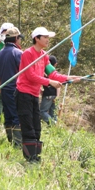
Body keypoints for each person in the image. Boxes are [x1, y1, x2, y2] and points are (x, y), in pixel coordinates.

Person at [15, 27, 81, 162]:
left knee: (37, 127)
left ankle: (36, 156)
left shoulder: (44, 56)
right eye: (45, 37)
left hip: (34, 95)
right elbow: (30, 75)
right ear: (37, 38)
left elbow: (53, 73)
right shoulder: (27, 54)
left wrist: (69, 77)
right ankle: (30, 158)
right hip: (23, 94)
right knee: (28, 126)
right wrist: (50, 82)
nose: (47, 40)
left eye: (48, 37)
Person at [0, 26, 23, 146]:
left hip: (4, 89)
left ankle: (10, 140)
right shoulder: (18, 53)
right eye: (19, 38)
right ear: (16, 39)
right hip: (16, 89)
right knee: (16, 115)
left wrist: (0, 81)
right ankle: (18, 144)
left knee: (8, 115)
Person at [40, 55, 60, 125]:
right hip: (54, 95)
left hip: (48, 95)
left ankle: (53, 124)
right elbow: (58, 86)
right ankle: (54, 126)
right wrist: (57, 96)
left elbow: (38, 81)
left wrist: (40, 91)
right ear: (55, 64)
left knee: (42, 112)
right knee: (53, 113)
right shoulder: (55, 74)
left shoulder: (44, 73)